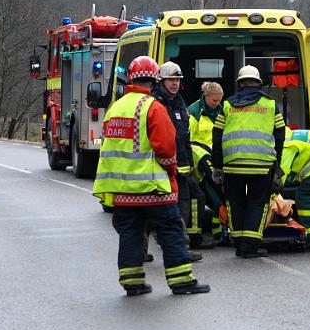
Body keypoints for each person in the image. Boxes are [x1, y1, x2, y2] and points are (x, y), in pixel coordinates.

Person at [92, 56, 209, 295]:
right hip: (152, 188)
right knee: (171, 230)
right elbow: (166, 148)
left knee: (131, 233)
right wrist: (171, 172)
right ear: (155, 80)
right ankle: (181, 281)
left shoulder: (116, 108)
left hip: (122, 189)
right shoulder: (152, 107)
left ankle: (132, 282)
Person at [212, 65, 286, 258]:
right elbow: (280, 135)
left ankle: (239, 244)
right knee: (257, 203)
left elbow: (216, 136)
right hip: (261, 166)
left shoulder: (227, 105)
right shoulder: (270, 105)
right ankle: (250, 247)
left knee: (235, 203)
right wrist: (276, 163)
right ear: (258, 83)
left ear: (240, 83)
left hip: (233, 164)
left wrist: (218, 167)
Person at [152, 62, 207, 250]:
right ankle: (173, 243)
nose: (174, 84)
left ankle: (185, 241)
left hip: (181, 167)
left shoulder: (179, 102)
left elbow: (185, 137)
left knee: (188, 200)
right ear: (161, 81)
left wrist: (190, 165)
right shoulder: (156, 103)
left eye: (177, 80)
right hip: (160, 168)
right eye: (171, 80)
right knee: (159, 209)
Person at [189, 81, 224, 146]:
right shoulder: (194, 111)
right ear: (206, 96)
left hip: (216, 152)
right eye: (214, 100)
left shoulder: (222, 110)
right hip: (200, 154)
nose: (217, 103)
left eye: (220, 101)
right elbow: (187, 139)